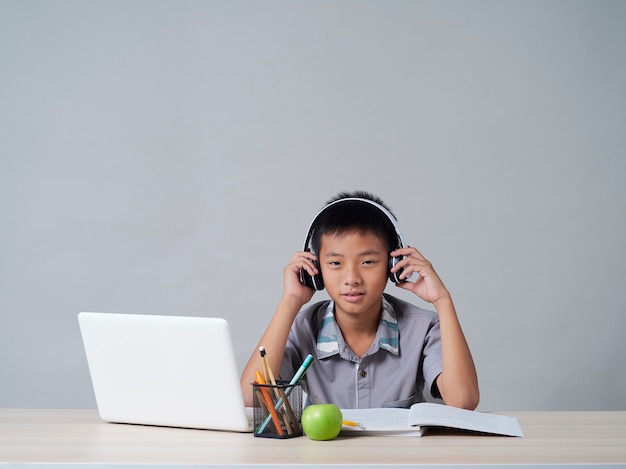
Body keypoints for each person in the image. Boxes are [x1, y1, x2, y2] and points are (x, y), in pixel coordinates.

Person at [240, 191, 479, 410]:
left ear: (393, 265)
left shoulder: (423, 327)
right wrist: (289, 302)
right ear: (315, 268)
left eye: (368, 262)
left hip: (398, 458)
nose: (352, 278)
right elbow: (251, 402)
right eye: (335, 263)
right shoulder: (300, 327)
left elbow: (463, 401)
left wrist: (442, 300)